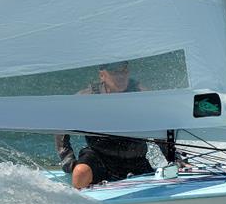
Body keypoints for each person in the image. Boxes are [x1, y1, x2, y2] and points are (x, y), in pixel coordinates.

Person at [55, 61, 159, 189]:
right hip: (99, 158)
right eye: (115, 72)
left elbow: (160, 125)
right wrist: (67, 159)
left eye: (124, 71)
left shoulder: (141, 94)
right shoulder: (88, 97)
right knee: (80, 172)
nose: (120, 76)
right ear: (102, 75)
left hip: (136, 160)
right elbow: (61, 122)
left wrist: (174, 158)